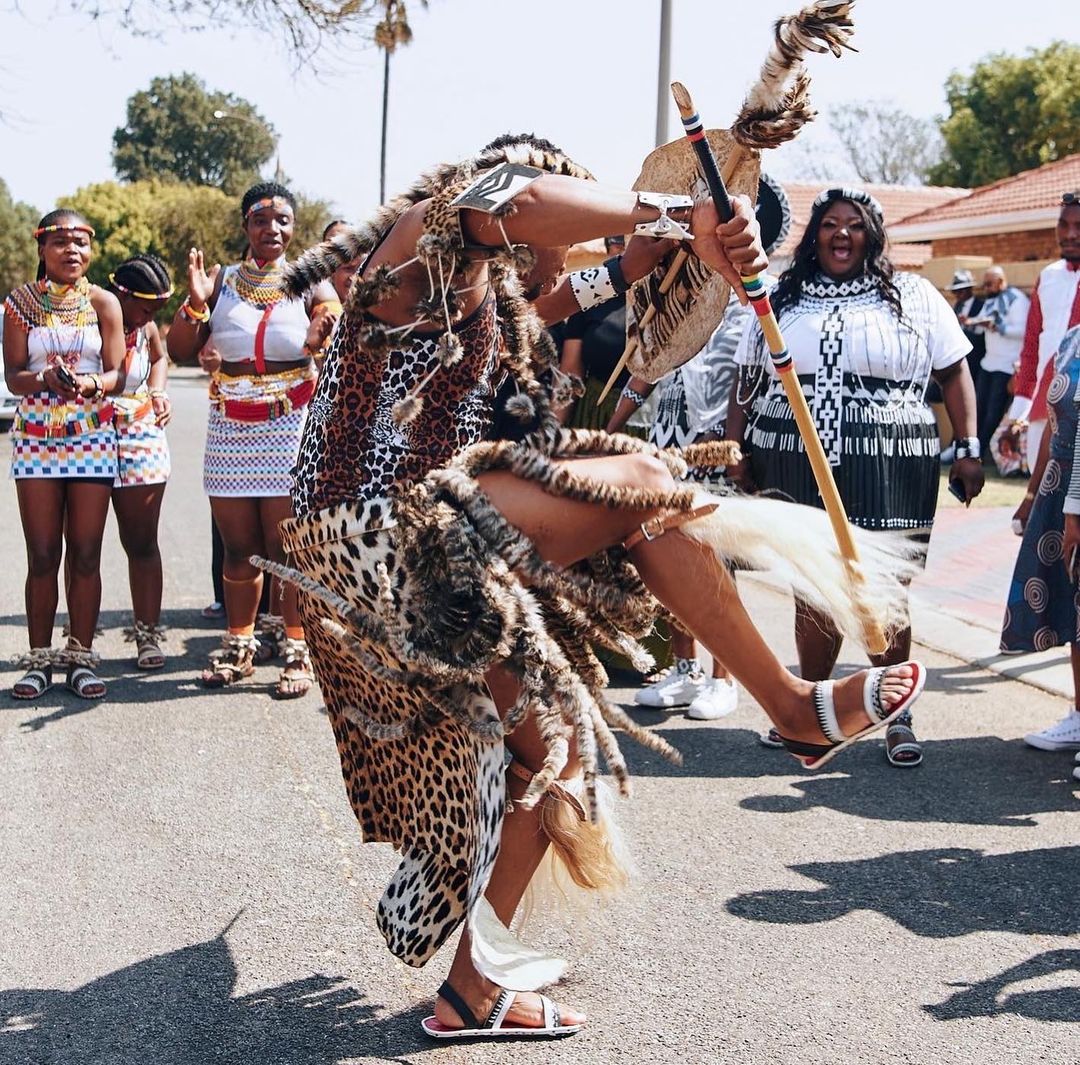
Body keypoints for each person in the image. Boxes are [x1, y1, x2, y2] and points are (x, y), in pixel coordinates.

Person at [270, 136, 927, 1040]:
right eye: (555, 216)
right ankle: (788, 705)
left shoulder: (491, 308)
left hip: (424, 560)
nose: (557, 243)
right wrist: (671, 216)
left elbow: (561, 295)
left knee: (555, 754)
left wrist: (665, 256)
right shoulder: (421, 241)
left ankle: (472, 990)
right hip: (370, 538)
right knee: (639, 478)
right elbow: (521, 198)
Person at [727, 187, 983, 767]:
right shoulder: (778, 295)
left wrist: (968, 448)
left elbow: (954, 370)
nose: (842, 234)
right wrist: (733, 445)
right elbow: (747, 377)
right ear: (814, 234)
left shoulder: (914, 295)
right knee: (814, 584)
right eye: (830, 224)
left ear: (874, 235)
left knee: (883, 584)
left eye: (856, 225)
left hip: (891, 455)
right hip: (792, 451)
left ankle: (896, 713)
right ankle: (809, 709)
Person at [166, 181, 337, 697]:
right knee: (239, 547)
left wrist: (323, 326)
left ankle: (297, 648)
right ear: (246, 226)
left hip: (290, 425)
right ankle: (238, 643)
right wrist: (195, 307)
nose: (273, 229)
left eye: (283, 220)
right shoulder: (221, 281)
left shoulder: (309, 279)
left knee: (287, 546)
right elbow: (177, 349)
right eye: (262, 220)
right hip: (231, 428)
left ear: (293, 227)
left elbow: (331, 314)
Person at [3, 209, 124, 699]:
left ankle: (79, 658)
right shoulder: (19, 304)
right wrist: (43, 379)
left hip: (92, 438)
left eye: (79, 242)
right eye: (60, 243)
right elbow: (13, 376)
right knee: (42, 554)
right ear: (41, 249)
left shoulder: (104, 303)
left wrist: (92, 382)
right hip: (36, 439)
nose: (71, 251)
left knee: (87, 553)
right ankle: (38, 662)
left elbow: (118, 373)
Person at [1005, 323, 1080, 765]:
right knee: (1073, 605)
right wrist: (1034, 495)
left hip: (1077, 491)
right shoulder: (1072, 337)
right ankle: (1078, 715)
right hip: (1062, 484)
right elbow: (1054, 424)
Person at [108, 255, 174, 669]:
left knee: (142, 543)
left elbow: (161, 357)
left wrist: (158, 391)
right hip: (86, 440)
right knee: (80, 548)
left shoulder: (146, 327)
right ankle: (77, 643)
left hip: (140, 439)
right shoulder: (89, 319)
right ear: (122, 294)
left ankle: (147, 637)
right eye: (146, 308)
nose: (151, 317)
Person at [1001, 192, 1080, 473]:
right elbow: (1032, 351)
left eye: (1079, 226)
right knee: (1042, 506)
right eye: (1063, 225)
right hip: (1041, 415)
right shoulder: (1048, 277)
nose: (1069, 234)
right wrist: (1017, 417)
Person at [974, 265, 1029, 459]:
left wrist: (999, 327)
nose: (986, 288)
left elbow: (1023, 330)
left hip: (1007, 364)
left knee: (993, 412)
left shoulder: (1017, 300)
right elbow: (981, 326)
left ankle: (981, 452)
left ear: (1001, 281)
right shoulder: (990, 301)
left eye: (989, 284)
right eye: (984, 284)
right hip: (988, 362)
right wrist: (972, 323)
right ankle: (974, 449)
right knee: (979, 408)